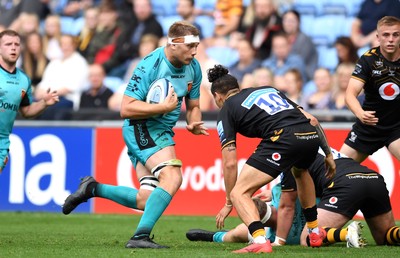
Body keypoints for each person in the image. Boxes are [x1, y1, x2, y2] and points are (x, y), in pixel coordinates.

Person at [62, 21, 208, 249]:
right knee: (172, 177)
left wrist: (193, 121)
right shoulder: (149, 65)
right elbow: (126, 108)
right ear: (173, 43)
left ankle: (92, 188)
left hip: (162, 132)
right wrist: (162, 108)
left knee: (147, 200)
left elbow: (193, 105)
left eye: (196, 45)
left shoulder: (194, 67)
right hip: (141, 127)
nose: (194, 51)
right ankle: (140, 237)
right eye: (190, 46)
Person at [206, 64, 335, 253]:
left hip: (283, 138)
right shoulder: (268, 90)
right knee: (300, 171)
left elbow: (230, 162)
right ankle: (314, 232)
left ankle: (259, 241)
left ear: (217, 96)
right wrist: (328, 154)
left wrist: (228, 202)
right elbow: (312, 120)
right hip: (309, 136)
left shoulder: (226, 108)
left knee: (239, 193)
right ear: (238, 88)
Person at [187, 147, 400, 247]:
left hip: (346, 184)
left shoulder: (289, 155)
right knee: (386, 238)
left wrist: (279, 242)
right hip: (372, 178)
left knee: (308, 239)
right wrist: (211, 236)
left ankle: (345, 234)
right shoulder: (309, 144)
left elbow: (288, 204)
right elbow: (299, 186)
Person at [340, 16, 400, 163]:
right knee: (336, 170)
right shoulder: (368, 60)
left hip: (396, 127)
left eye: (395, 34)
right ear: (378, 37)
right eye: (386, 35)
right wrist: (360, 113)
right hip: (369, 126)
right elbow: (349, 95)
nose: (391, 39)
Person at [0, 29, 59, 173]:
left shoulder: (24, 80)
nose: (13, 47)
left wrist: (43, 103)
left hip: (2, 141)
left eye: (16, 44)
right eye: (8, 44)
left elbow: (26, 111)